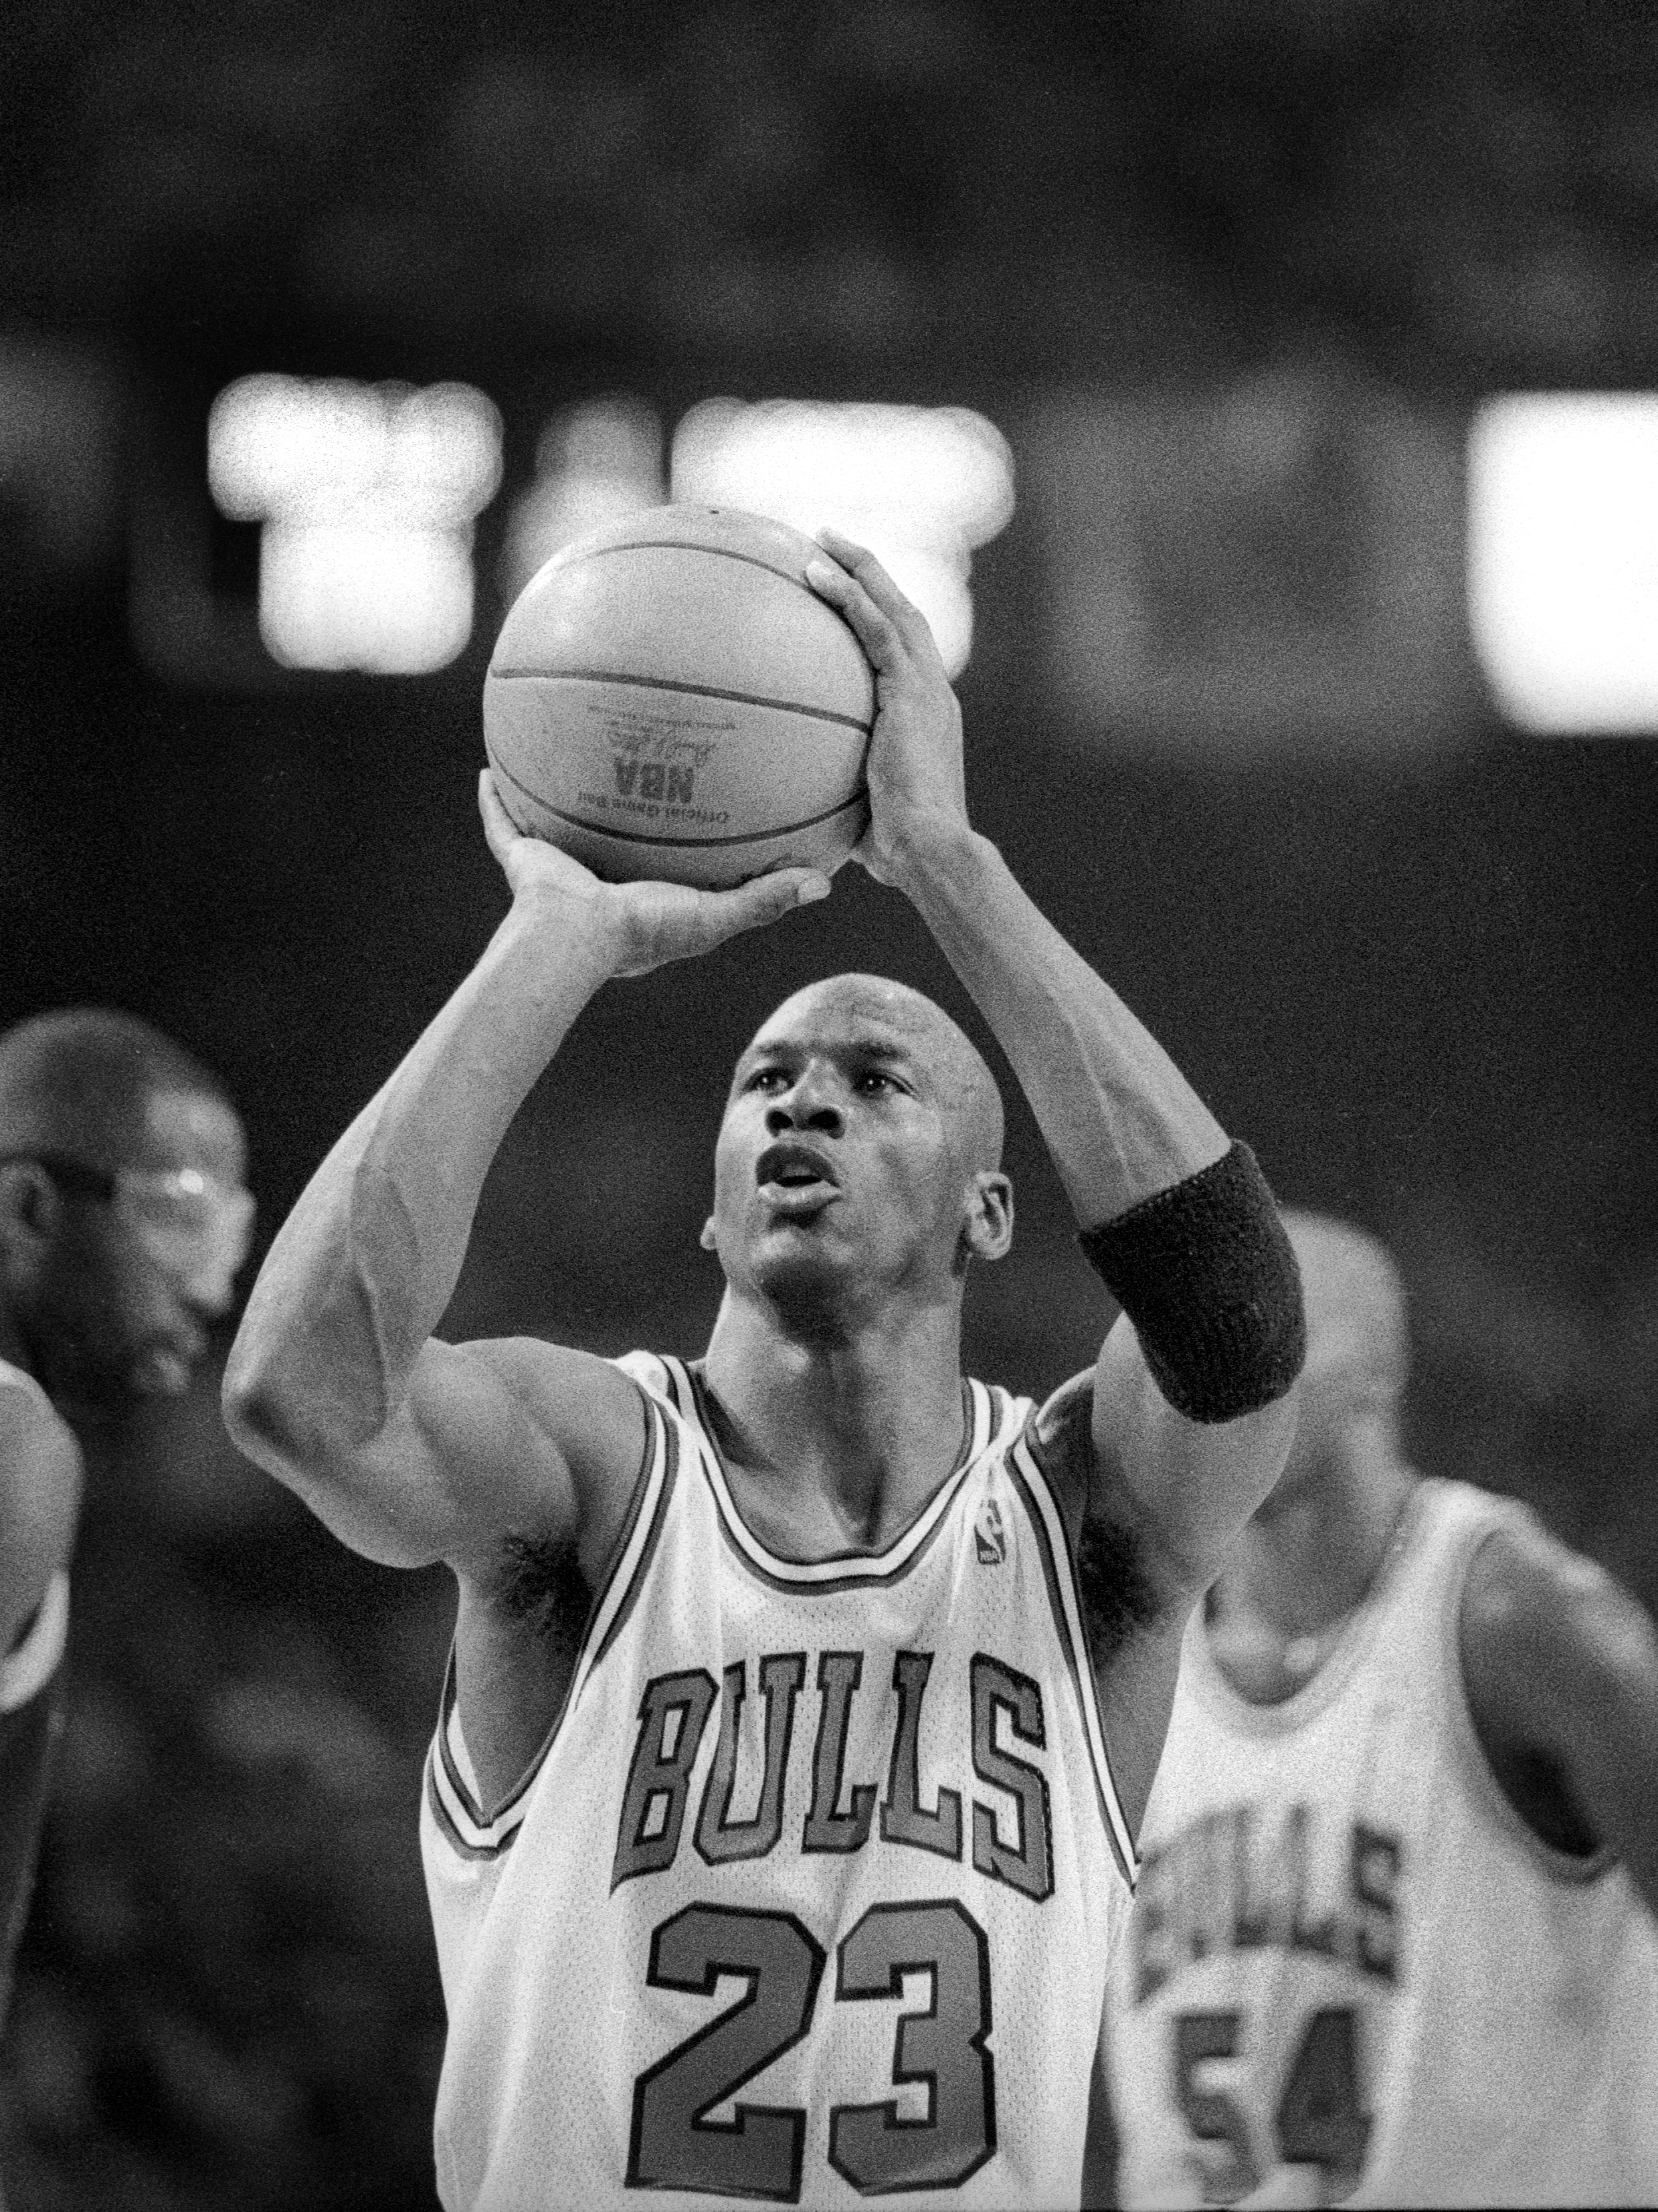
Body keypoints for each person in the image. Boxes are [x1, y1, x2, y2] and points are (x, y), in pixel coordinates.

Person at [221, 530, 1307, 2211]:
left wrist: (945, 862)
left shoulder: (1083, 1517)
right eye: (764, 1081)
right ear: (711, 1217)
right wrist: (555, 939)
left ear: (988, 1213)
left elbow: (1233, 1326)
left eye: (877, 1083)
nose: (801, 1103)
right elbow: (300, 1392)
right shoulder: (591, 1470)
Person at [1091, 1208, 1658, 2209]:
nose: (1221, 1359)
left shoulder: (1516, 1617)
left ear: (1374, 1366)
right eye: (1198, 1330)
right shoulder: (1127, 1660)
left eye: (1262, 1320)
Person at [0, 1008, 254, 2036]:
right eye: (178, 1218)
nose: (214, 1287)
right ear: (29, 1208)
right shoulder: (15, 1441)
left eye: (232, 1231)